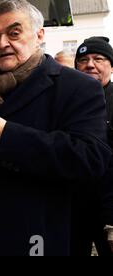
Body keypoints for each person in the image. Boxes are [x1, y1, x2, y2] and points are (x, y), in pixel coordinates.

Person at [0, 0, 112, 256]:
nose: (2, 44)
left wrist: (4, 133)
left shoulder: (78, 87)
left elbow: (90, 158)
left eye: (14, 33)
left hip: (37, 237)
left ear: (39, 35)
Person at [75, 36, 113, 255]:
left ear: (111, 65)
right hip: (73, 208)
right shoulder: (67, 100)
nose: (90, 64)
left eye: (98, 58)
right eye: (83, 59)